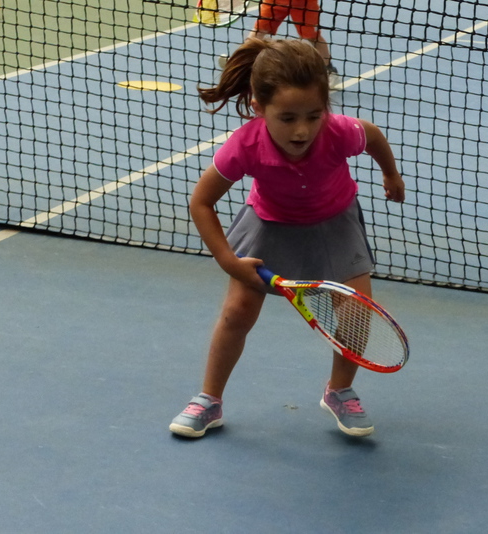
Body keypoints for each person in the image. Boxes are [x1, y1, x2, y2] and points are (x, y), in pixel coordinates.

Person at [170, 38, 405, 439]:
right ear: (259, 109)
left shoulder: (338, 132)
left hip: (335, 222)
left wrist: (390, 174)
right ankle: (209, 400)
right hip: (270, 223)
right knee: (237, 312)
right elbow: (201, 202)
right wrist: (228, 260)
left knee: (356, 313)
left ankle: (339, 391)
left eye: (314, 116)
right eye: (288, 117)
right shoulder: (245, 145)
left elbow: (373, 136)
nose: (302, 130)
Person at [218, 0, 341, 88]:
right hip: (274, 2)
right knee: (259, 31)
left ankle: (329, 70)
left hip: (302, 3)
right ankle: (238, 63)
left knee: (312, 37)